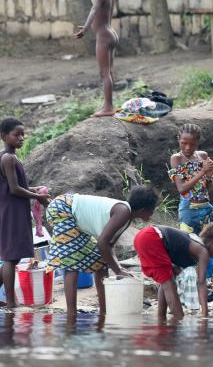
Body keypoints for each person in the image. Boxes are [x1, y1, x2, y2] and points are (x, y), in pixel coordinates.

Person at [46, 186, 158, 318]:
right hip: (64, 208)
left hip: (73, 215)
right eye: (152, 211)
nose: (152, 214)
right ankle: (72, 314)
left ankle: (104, 311)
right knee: (72, 262)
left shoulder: (127, 217)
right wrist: (118, 271)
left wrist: (119, 268)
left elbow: (108, 246)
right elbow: (102, 243)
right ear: (143, 210)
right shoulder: (123, 212)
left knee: (101, 261)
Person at [0, 118, 51, 308]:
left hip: (11, 208)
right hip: (12, 210)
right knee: (11, 257)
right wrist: (37, 198)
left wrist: (35, 189)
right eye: (16, 134)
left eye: (23, 134)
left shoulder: (7, 156)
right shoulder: (8, 158)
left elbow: (18, 186)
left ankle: (10, 301)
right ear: (5, 136)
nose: (21, 138)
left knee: (11, 256)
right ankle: (11, 303)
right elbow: (14, 189)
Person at [133, 222, 213, 319]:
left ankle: (161, 318)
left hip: (143, 236)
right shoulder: (202, 251)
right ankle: (179, 321)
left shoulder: (192, 243)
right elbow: (201, 283)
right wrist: (205, 314)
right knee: (169, 285)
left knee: (166, 281)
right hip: (152, 237)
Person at [168, 124, 213, 277]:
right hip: (189, 209)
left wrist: (209, 175)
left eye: (192, 143)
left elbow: (208, 188)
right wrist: (202, 171)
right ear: (178, 140)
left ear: (198, 142)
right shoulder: (176, 159)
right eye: (184, 142)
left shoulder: (203, 156)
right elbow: (182, 189)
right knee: (188, 248)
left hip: (206, 207)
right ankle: (189, 281)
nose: (188, 147)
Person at [73, 0, 118, 117]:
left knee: (104, 73)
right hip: (110, 33)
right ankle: (108, 105)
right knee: (109, 71)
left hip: (103, 36)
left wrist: (85, 28)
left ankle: (108, 107)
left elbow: (94, 9)